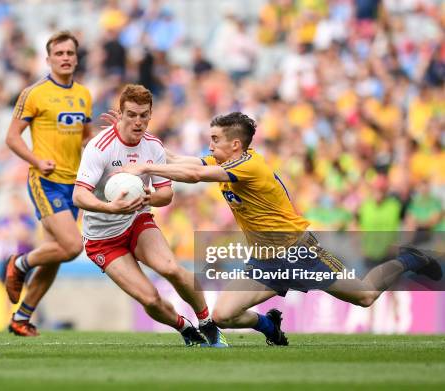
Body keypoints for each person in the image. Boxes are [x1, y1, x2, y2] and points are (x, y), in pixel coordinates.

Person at [121, 111, 442, 345]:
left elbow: (193, 176)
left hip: (299, 252)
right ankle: (268, 325)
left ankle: (410, 259)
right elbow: (187, 162)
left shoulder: (249, 166)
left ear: (235, 144)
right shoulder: (227, 160)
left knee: (366, 296)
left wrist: (148, 166)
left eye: (215, 140)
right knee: (222, 316)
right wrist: (147, 144)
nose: (210, 146)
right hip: (264, 259)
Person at [72, 84, 227, 347]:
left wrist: (147, 198)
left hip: (137, 220)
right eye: (131, 114)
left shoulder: (153, 146)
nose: (138, 121)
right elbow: (79, 196)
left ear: (151, 114)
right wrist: (111, 208)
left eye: (144, 115)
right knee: (150, 299)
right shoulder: (99, 147)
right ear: (120, 114)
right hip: (103, 238)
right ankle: (185, 329)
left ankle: (207, 323)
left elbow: (166, 195)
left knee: (171, 268)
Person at [4, 31, 93, 336]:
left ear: (76, 58)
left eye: (70, 53)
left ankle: (22, 318)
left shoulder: (84, 94)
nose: (65, 58)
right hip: (46, 180)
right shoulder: (35, 93)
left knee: (55, 252)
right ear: (49, 59)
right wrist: (36, 161)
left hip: (74, 184)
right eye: (59, 54)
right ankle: (19, 264)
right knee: (71, 246)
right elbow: (12, 137)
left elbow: (85, 138)